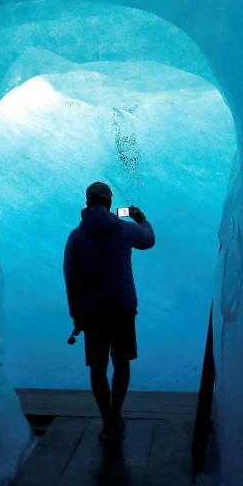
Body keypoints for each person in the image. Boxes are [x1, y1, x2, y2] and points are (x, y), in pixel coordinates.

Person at [63, 181, 155, 441]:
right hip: (123, 308)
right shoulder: (124, 229)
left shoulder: (77, 237)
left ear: (87, 202)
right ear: (109, 202)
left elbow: (71, 278)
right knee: (121, 362)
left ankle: (107, 420)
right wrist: (141, 219)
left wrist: (76, 314)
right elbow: (148, 241)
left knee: (98, 367)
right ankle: (116, 413)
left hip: (93, 312)